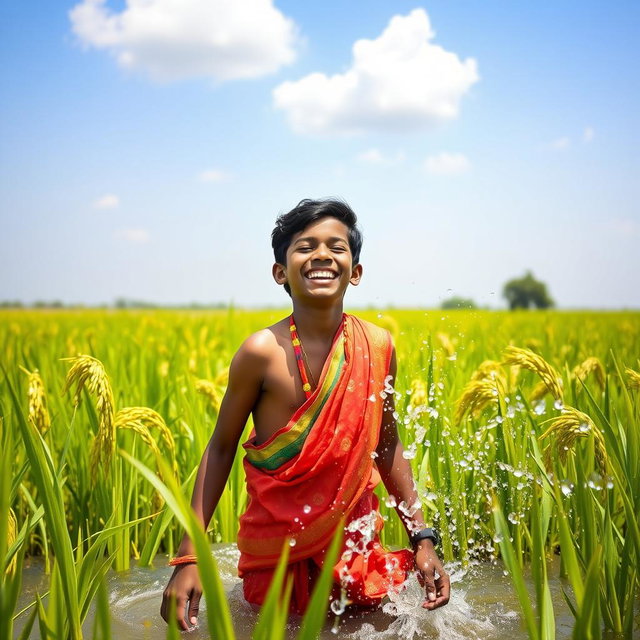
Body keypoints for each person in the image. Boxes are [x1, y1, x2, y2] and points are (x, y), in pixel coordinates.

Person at [161, 198, 450, 629]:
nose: (321, 255)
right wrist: (189, 556)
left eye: (336, 247)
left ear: (355, 272)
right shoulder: (261, 353)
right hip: (278, 557)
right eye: (304, 246)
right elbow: (220, 449)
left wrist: (422, 537)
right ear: (281, 272)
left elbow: (386, 444)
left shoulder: (377, 346)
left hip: (356, 554)